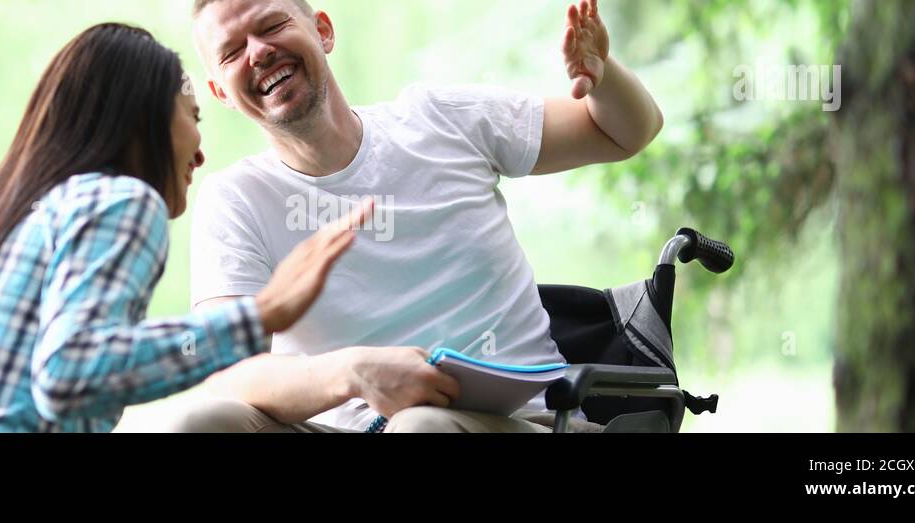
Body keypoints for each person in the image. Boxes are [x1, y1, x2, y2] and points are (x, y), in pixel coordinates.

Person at [173, 0, 662, 432]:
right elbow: (227, 366)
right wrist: (354, 372)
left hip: (525, 418)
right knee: (204, 422)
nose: (258, 52)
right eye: (232, 51)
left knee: (419, 426)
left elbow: (624, 133)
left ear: (323, 30)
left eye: (272, 25)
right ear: (220, 92)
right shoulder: (235, 200)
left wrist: (602, 74)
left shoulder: (443, 120)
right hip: (357, 426)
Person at [0, 22, 371, 432]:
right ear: (144, 121)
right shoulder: (123, 200)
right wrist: (261, 315)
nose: (200, 151)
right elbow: (70, 374)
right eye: (192, 116)